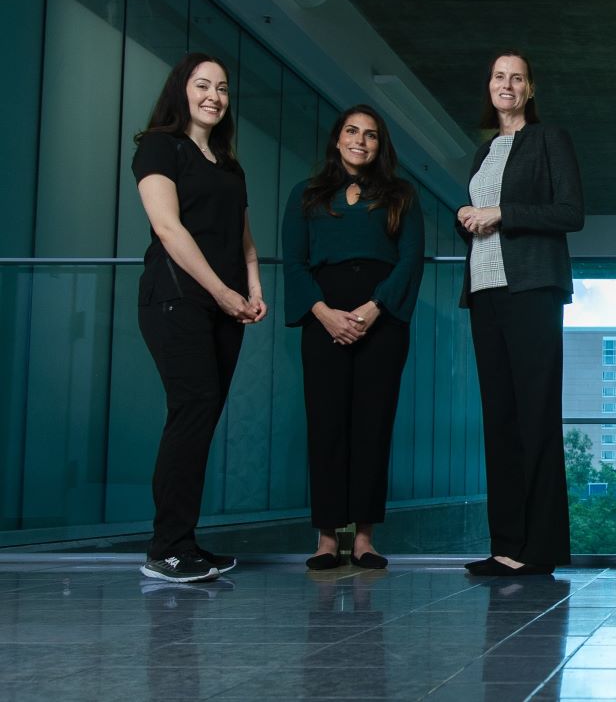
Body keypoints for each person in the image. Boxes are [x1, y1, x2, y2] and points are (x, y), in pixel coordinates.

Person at [134, 52, 267, 583]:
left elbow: (244, 239)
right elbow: (169, 230)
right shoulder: (159, 148)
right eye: (202, 85)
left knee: (201, 419)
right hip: (176, 301)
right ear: (181, 91)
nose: (214, 95)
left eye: (223, 88)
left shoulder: (229, 166)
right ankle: (166, 548)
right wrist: (220, 291)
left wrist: (252, 289)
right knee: (193, 409)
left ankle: (182, 543)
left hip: (226, 308)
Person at [458, 50, 584, 576]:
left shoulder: (547, 138)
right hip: (485, 292)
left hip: (531, 288)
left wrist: (501, 213)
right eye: (498, 77)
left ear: (529, 89)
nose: (506, 85)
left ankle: (540, 550)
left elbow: (570, 212)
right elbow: (481, 219)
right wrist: (466, 216)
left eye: (516, 78)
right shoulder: (484, 151)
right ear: (489, 86)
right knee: (500, 421)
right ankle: (506, 546)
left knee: (534, 417)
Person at [282, 104, 424, 571]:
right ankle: (327, 539)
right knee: (326, 425)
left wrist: (372, 308)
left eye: (370, 135)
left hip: (380, 321)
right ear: (337, 138)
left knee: (373, 425)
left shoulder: (401, 194)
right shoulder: (305, 195)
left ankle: (364, 538)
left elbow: (410, 260)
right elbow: (295, 264)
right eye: (352, 131)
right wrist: (324, 313)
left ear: (381, 145)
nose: (360, 140)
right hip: (323, 319)